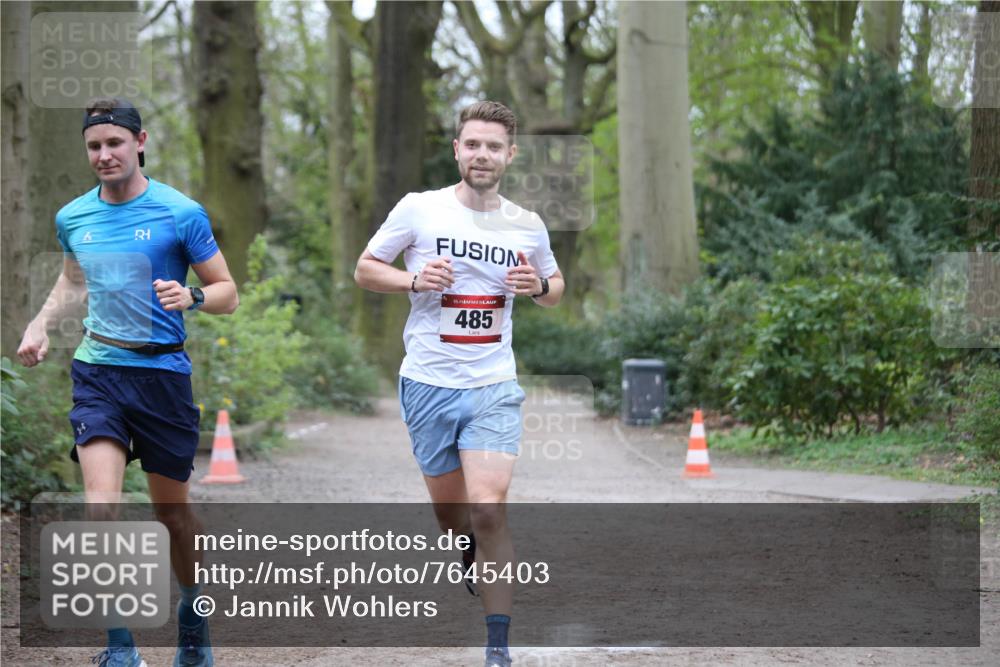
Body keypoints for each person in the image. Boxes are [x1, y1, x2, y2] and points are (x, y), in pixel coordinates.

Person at [17, 98, 238, 667]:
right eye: (94, 146)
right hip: (99, 374)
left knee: (173, 517)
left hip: (162, 376)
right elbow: (73, 282)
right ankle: (121, 650)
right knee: (101, 509)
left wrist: (190, 295)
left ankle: (193, 623)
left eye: (115, 143)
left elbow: (227, 293)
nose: (104, 154)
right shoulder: (73, 217)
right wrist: (41, 324)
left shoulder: (180, 213)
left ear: (140, 141)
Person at [355, 100, 564, 667]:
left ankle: (498, 646)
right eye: (473, 144)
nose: (482, 154)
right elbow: (365, 268)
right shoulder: (420, 209)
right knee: (454, 519)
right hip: (427, 381)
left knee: (490, 507)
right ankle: (465, 548)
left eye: (494, 146)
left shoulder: (526, 223)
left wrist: (537, 284)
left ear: (510, 154)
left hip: (493, 381)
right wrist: (413, 278)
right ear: (457, 149)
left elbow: (555, 284)